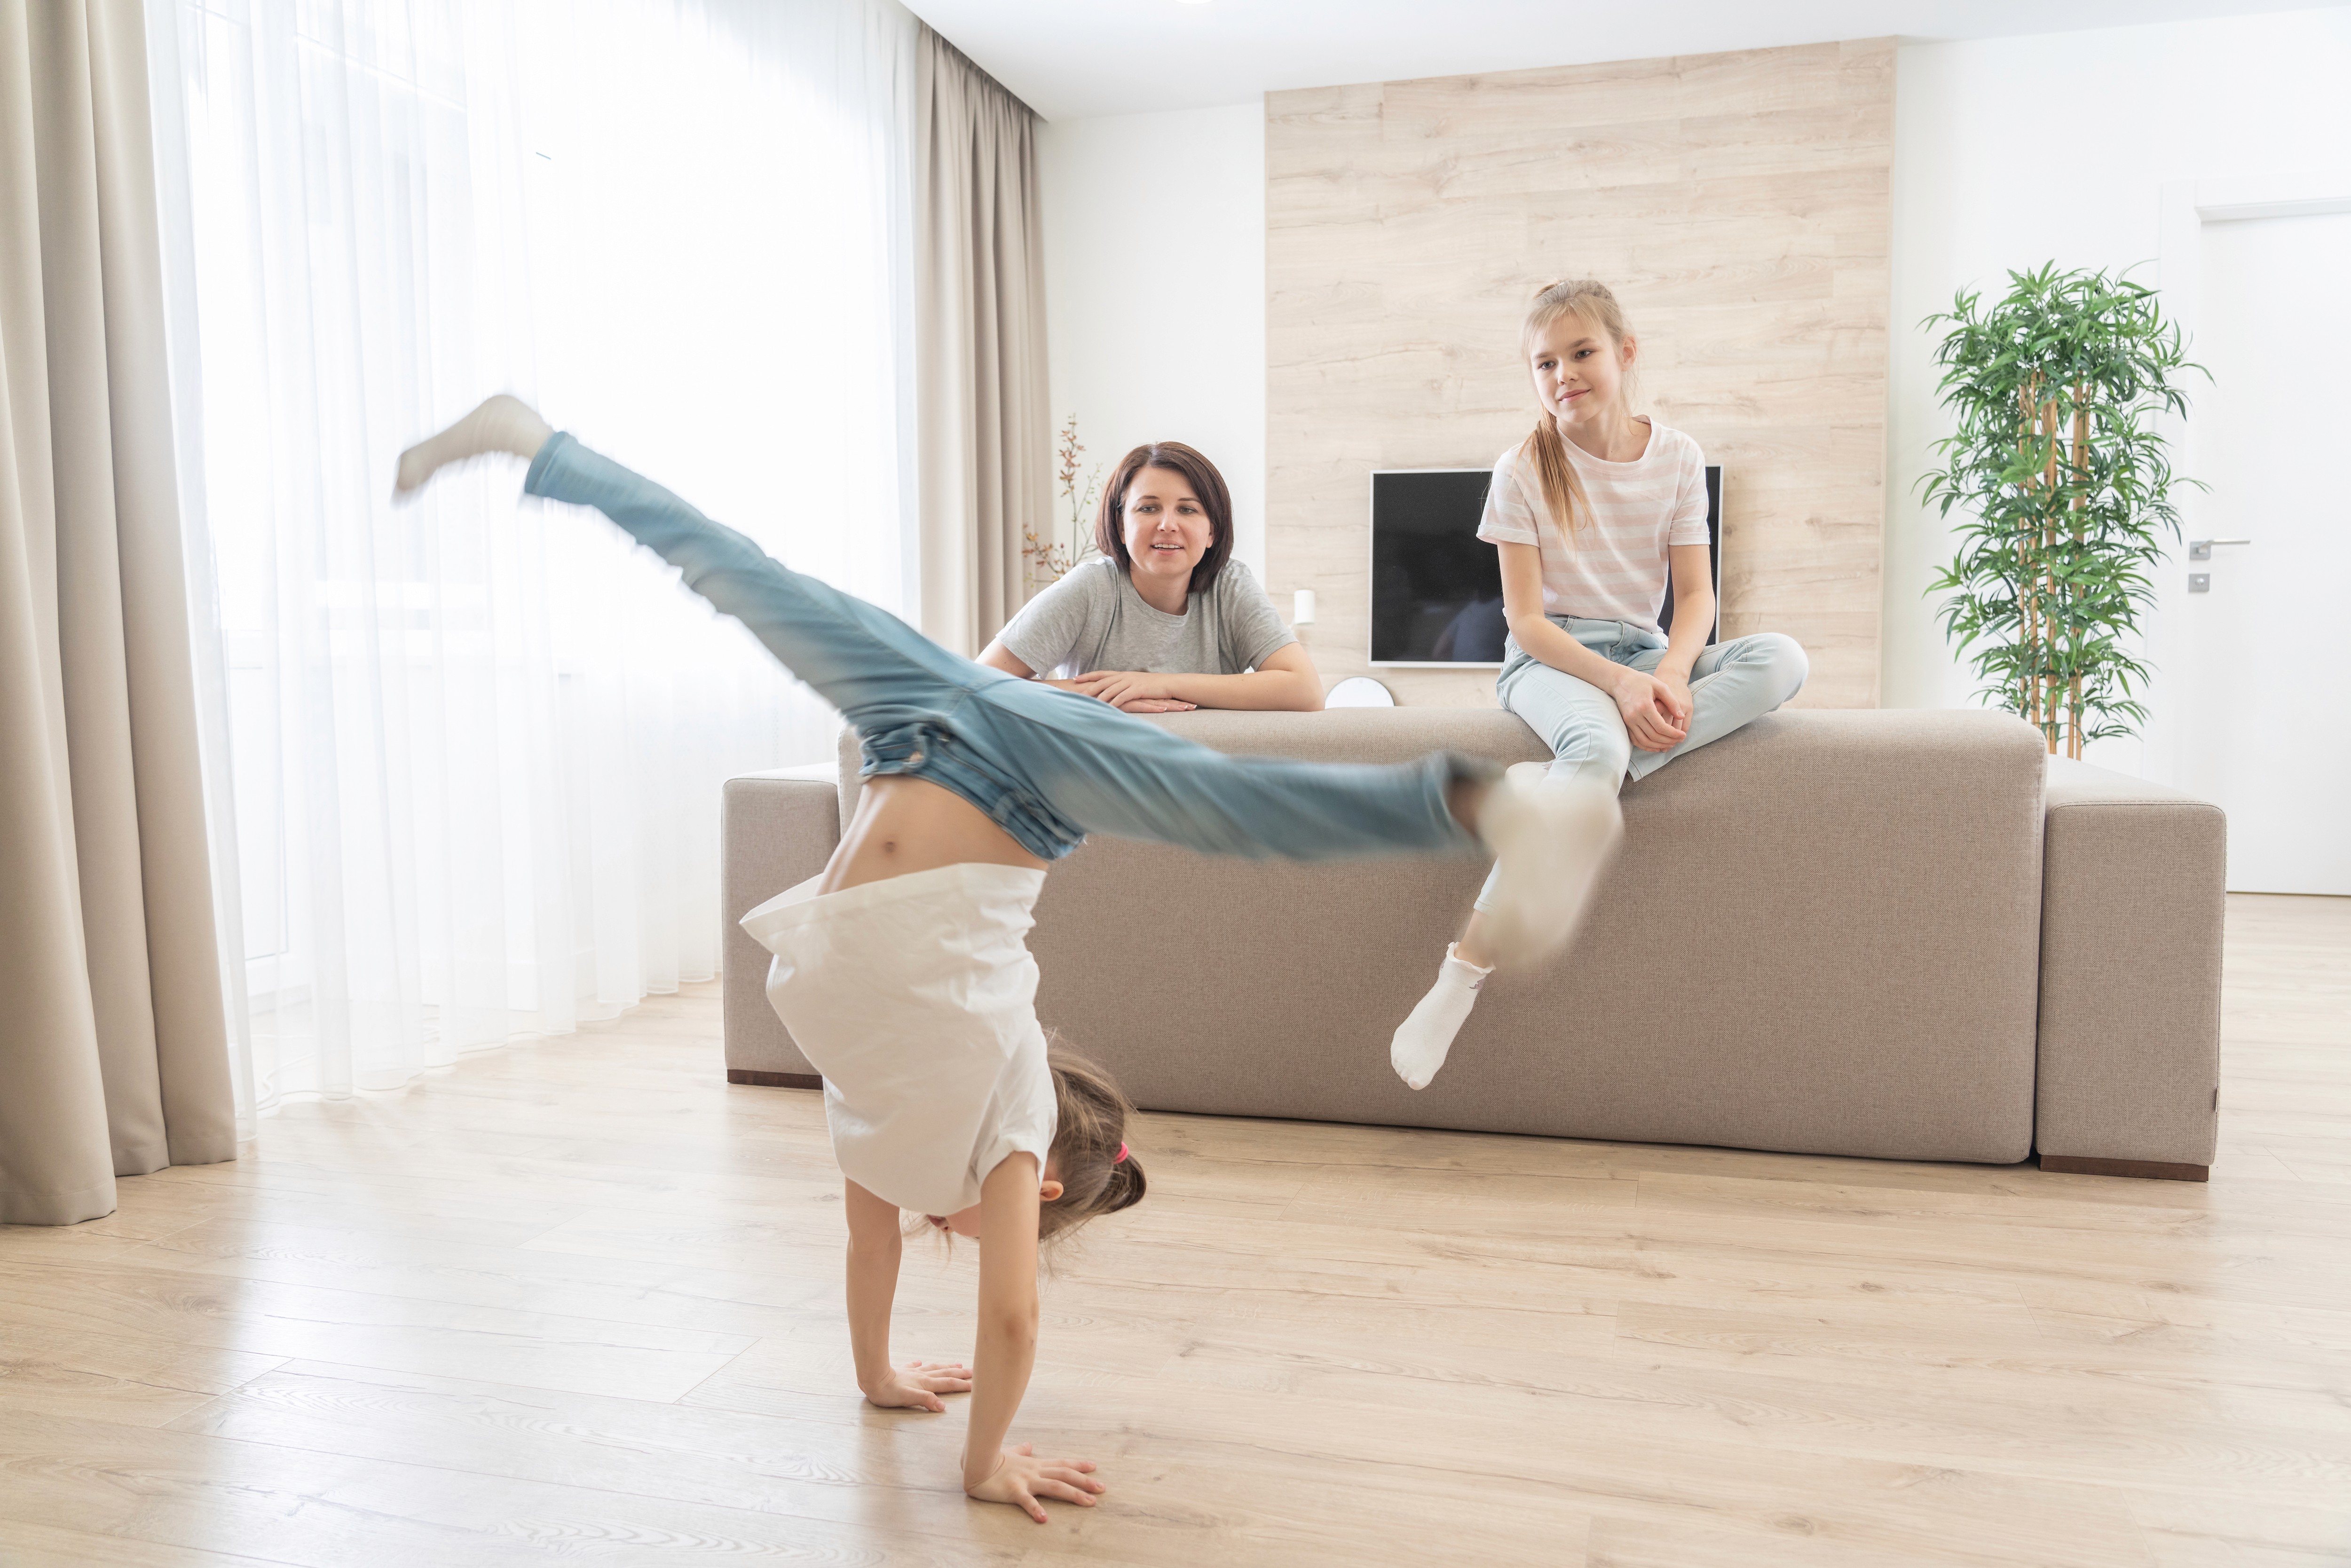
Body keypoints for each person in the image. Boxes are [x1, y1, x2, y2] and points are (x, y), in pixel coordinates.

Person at [392, 396, 1621, 1523]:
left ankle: (539, 446)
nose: (967, 1237)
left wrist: (878, 1377)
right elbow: (1013, 1315)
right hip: (1019, 764)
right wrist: (984, 1459)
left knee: (742, 577)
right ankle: (1483, 802)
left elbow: (870, 1251)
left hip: (918, 722)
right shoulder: (1001, 1120)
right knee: (1215, 803)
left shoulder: (881, 1112)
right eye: (1006, 1222)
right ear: (1033, 1187)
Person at [1387, 279, 1810, 1092]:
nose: (1564, 374)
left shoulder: (1679, 458)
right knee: (1597, 741)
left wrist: (1673, 675)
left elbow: (1696, 601)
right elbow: (1526, 623)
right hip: (1554, 659)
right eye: (1545, 363)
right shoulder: (1521, 471)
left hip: (1650, 652)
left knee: (1781, 660)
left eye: (1581, 353)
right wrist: (1619, 687)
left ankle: (1568, 784)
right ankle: (1459, 978)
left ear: (1625, 353)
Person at [979, 441, 1322, 712]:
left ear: (1212, 533)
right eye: (1148, 508)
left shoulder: (1229, 584)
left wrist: (1162, 684)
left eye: (1187, 509)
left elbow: (1306, 691)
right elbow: (976, 685)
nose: (1167, 525)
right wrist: (1107, 693)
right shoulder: (1092, 588)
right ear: (1121, 526)